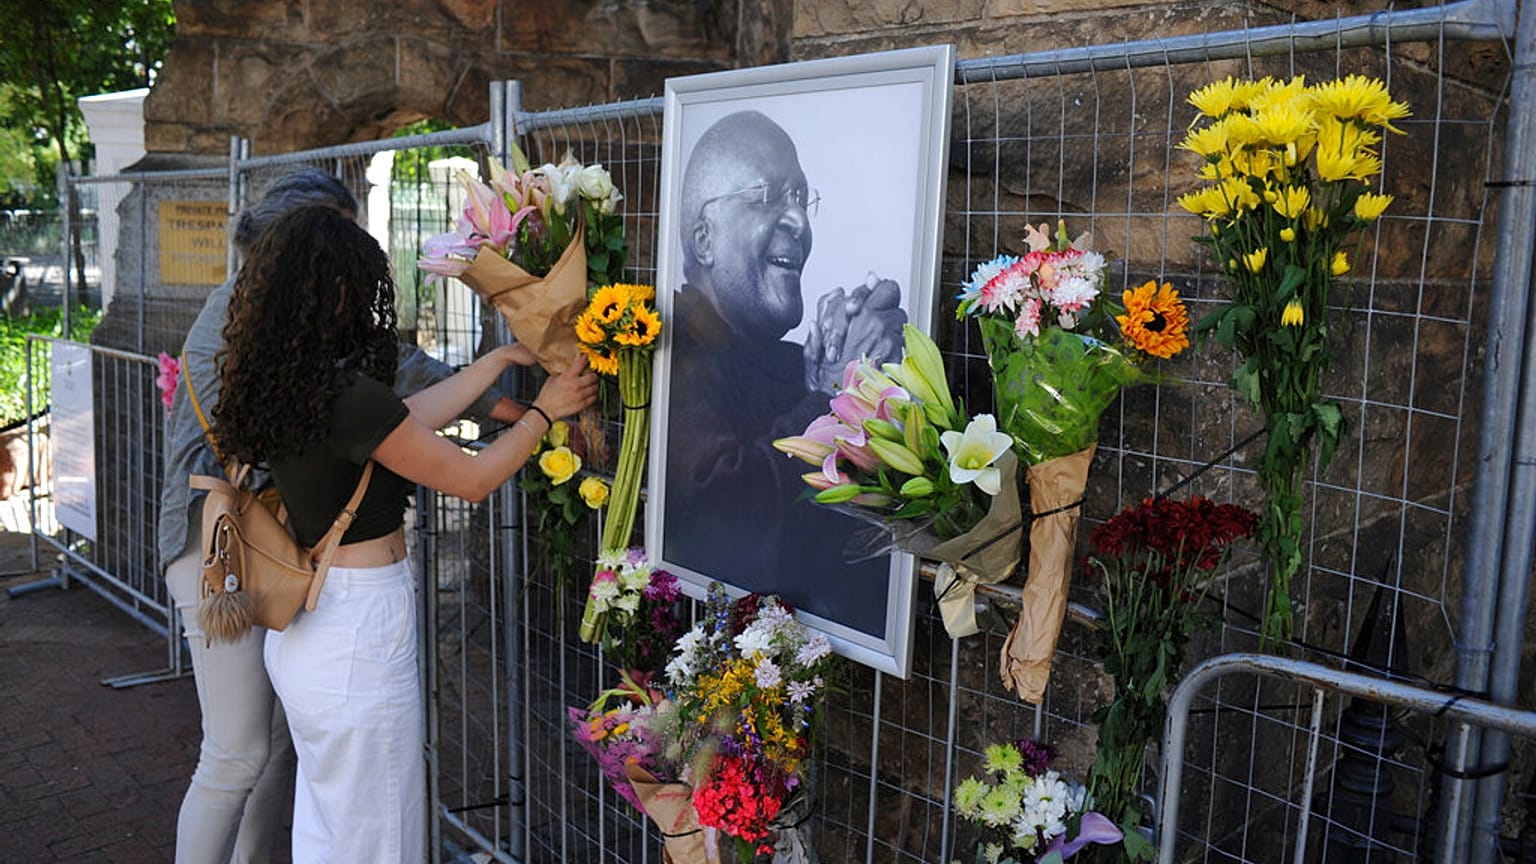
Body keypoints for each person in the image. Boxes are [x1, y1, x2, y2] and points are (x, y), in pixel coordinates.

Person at [157, 168, 527, 864]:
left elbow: (393, 397)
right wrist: (528, 411)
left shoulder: (268, 320)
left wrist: (499, 377)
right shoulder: (286, 333)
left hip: (269, 542)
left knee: (274, 759)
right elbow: (396, 385)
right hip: (227, 544)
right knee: (237, 753)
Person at [210, 204, 597, 863]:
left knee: (331, 826)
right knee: (381, 836)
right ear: (338, 289)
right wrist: (541, 414)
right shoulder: (345, 395)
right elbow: (470, 480)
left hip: (310, 634)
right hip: (356, 631)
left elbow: (408, 419)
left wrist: (501, 358)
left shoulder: (290, 384)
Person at [663, 109, 906, 634]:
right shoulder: (677, 347)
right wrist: (827, 396)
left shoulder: (780, 359)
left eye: (801, 198)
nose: (800, 223)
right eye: (770, 198)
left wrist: (837, 377)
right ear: (704, 238)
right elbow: (726, 524)